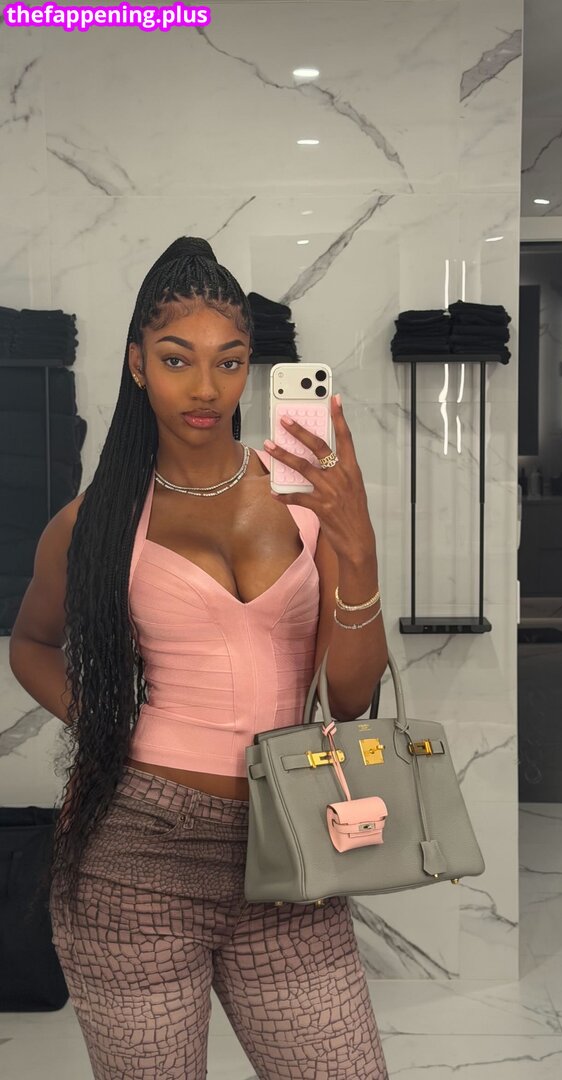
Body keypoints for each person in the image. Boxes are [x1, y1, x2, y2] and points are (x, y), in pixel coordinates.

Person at [9, 236, 390, 1079]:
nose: (206, 388)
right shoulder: (95, 522)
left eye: (230, 361)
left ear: (251, 367)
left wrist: (357, 544)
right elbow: (31, 644)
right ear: (137, 365)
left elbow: (351, 698)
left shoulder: (307, 500)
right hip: (134, 854)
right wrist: (105, 723)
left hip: (290, 844)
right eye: (178, 359)